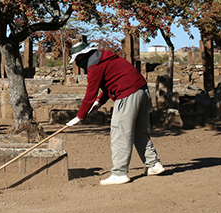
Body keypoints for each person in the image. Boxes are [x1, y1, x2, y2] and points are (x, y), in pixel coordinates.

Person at [66, 41, 166, 185]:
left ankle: (119, 173)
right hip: (142, 91)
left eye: (77, 60)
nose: (77, 64)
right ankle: (154, 164)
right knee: (139, 131)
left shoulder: (95, 65)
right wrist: (99, 102)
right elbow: (111, 83)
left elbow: (90, 93)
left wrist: (79, 116)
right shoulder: (105, 58)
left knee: (120, 132)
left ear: (83, 56)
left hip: (127, 94)